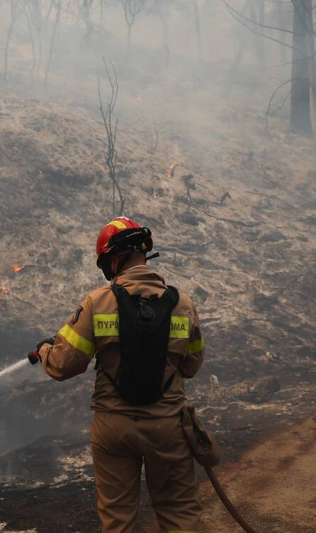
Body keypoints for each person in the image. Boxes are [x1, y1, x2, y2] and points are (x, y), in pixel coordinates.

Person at [30, 217, 206, 533]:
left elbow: (62, 365)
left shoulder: (98, 302)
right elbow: (191, 368)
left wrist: (44, 350)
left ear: (114, 259)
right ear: (143, 254)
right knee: (179, 514)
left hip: (114, 428)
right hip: (168, 426)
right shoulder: (183, 304)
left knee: (118, 520)